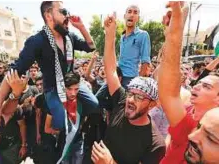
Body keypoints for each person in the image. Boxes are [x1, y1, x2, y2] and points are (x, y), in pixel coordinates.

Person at [0, 1, 99, 131]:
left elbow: (91, 47)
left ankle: (73, 114)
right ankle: (46, 103)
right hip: (52, 88)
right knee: (61, 124)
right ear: (48, 15)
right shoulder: (36, 41)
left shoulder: (70, 37)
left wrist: (81, 27)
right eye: (63, 12)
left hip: (71, 84)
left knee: (93, 104)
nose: (67, 16)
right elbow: (14, 71)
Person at [91, 12, 165, 164]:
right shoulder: (122, 102)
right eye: (131, 93)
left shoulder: (155, 144)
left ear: (152, 104)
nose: (130, 100)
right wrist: (110, 33)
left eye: (139, 97)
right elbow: (111, 69)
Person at [158, 2, 219, 164]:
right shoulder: (188, 115)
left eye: (211, 138)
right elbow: (169, 92)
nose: (193, 135)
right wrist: (173, 33)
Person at [45, 72, 96, 164]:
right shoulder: (56, 104)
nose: (73, 93)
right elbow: (47, 129)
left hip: (79, 141)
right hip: (63, 143)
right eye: (69, 89)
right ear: (63, 88)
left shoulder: (82, 103)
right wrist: (61, 130)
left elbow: (93, 105)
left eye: (76, 89)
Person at [118, 5, 151, 88]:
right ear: (125, 16)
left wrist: (138, 82)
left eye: (135, 12)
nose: (132, 15)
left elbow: (145, 61)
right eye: (129, 12)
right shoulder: (122, 36)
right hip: (117, 76)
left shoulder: (143, 35)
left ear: (138, 18)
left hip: (130, 79)